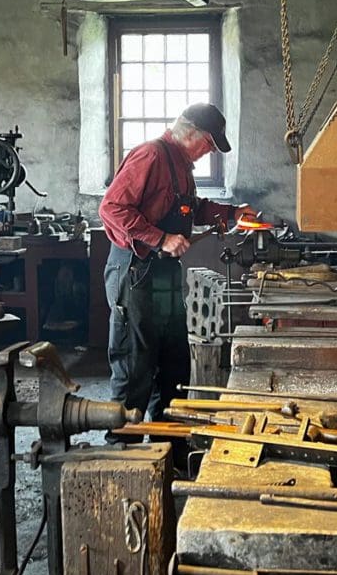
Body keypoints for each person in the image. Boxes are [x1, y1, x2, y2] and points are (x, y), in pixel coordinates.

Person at [99, 103, 255, 436]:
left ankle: (167, 443)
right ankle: (122, 451)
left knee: (173, 362)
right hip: (135, 271)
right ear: (191, 133)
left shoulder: (181, 166)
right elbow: (111, 208)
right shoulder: (151, 156)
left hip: (164, 273)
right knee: (135, 362)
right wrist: (160, 238)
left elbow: (191, 208)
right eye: (208, 144)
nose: (209, 151)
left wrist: (232, 214)